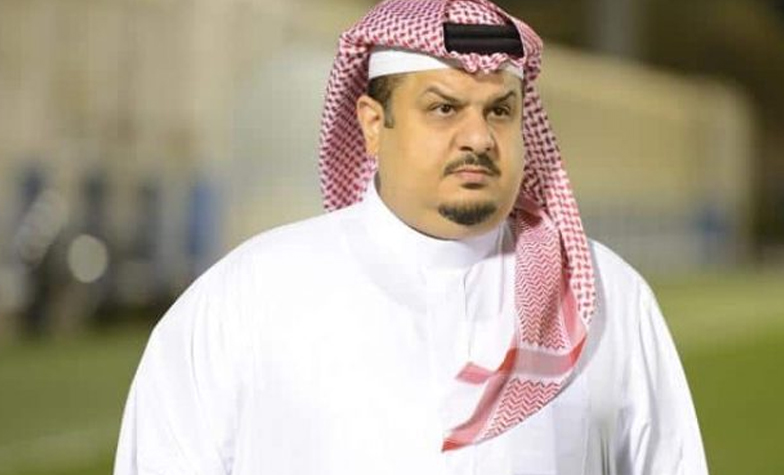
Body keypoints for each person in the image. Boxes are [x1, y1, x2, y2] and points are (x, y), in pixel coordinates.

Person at [114, 0, 708, 473]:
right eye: (444, 109)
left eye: (500, 111)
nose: (478, 137)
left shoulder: (604, 298)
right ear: (373, 125)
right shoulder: (247, 299)